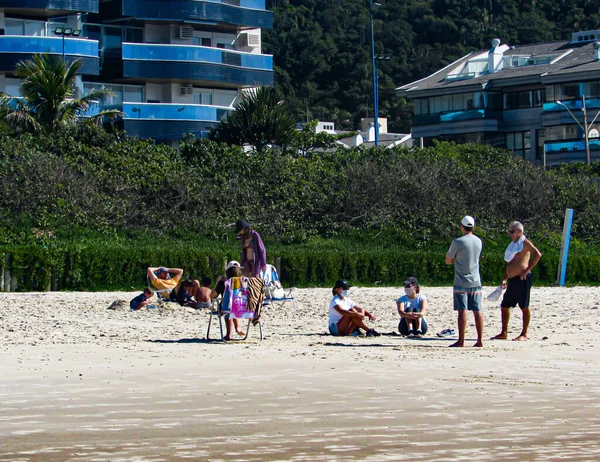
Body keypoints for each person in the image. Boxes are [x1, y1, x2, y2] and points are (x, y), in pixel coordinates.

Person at [491, 221, 542, 341]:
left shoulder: (525, 243)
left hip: (523, 278)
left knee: (524, 305)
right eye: (509, 231)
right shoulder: (513, 245)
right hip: (512, 279)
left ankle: (524, 333)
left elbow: (538, 255)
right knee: (505, 305)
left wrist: (526, 270)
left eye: (512, 231)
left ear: (519, 232)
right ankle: (504, 332)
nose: (510, 234)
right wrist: (505, 278)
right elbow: (510, 263)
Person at [445, 215, 484, 347]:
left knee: (463, 311)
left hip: (461, 281)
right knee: (477, 310)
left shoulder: (458, 242)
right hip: (476, 280)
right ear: (473, 227)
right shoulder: (478, 241)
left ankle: (461, 340)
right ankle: (480, 340)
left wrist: (457, 260)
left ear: (461, 226)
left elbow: (448, 260)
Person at [212, 261, 246, 340]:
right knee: (233, 305)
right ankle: (238, 327)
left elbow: (212, 296)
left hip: (227, 308)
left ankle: (229, 334)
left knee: (229, 306)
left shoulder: (223, 283)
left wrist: (217, 281)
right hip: (245, 307)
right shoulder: (244, 281)